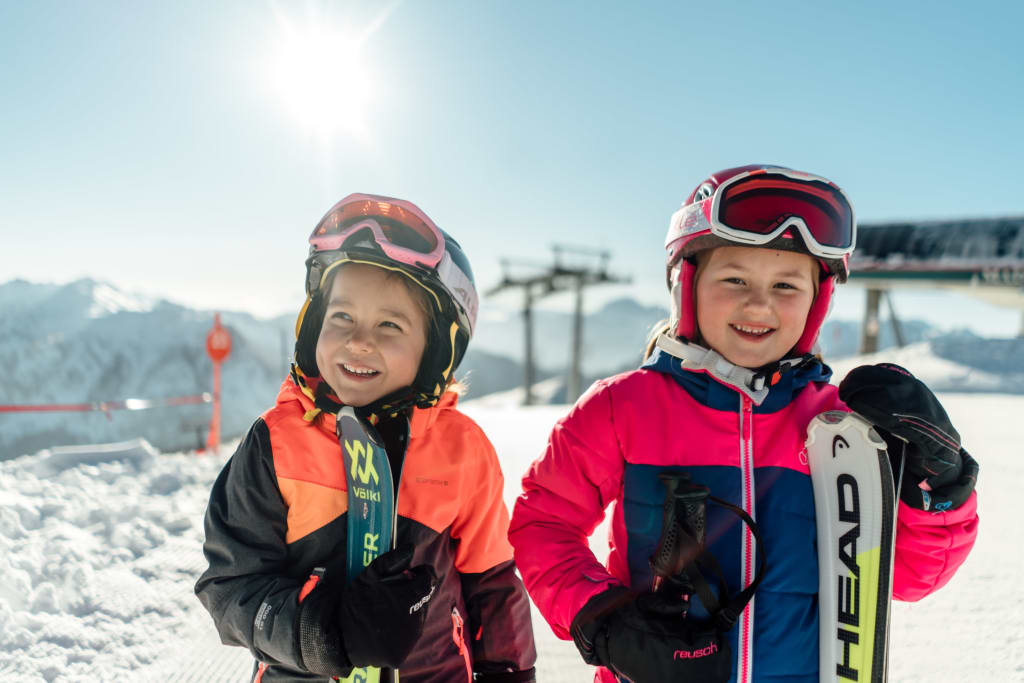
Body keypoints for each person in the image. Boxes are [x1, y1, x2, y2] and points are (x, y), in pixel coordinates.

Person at [508, 165, 979, 682]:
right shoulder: (623, 407)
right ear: (687, 284)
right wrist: (600, 617)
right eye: (735, 279)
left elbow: (908, 578)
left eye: (786, 284)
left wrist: (938, 485)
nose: (760, 303)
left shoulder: (839, 428)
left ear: (817, 301)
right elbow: (544, 523)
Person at [196, 193, 537, 683]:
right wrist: (319, 635)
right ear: (313, 322)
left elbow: (494, 582)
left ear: (436, 351)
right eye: (341, 317)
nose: (359, 340)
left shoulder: (462, 451)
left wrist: (509, 671)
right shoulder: (275, 444)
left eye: (390, 324)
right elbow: (231, 587)